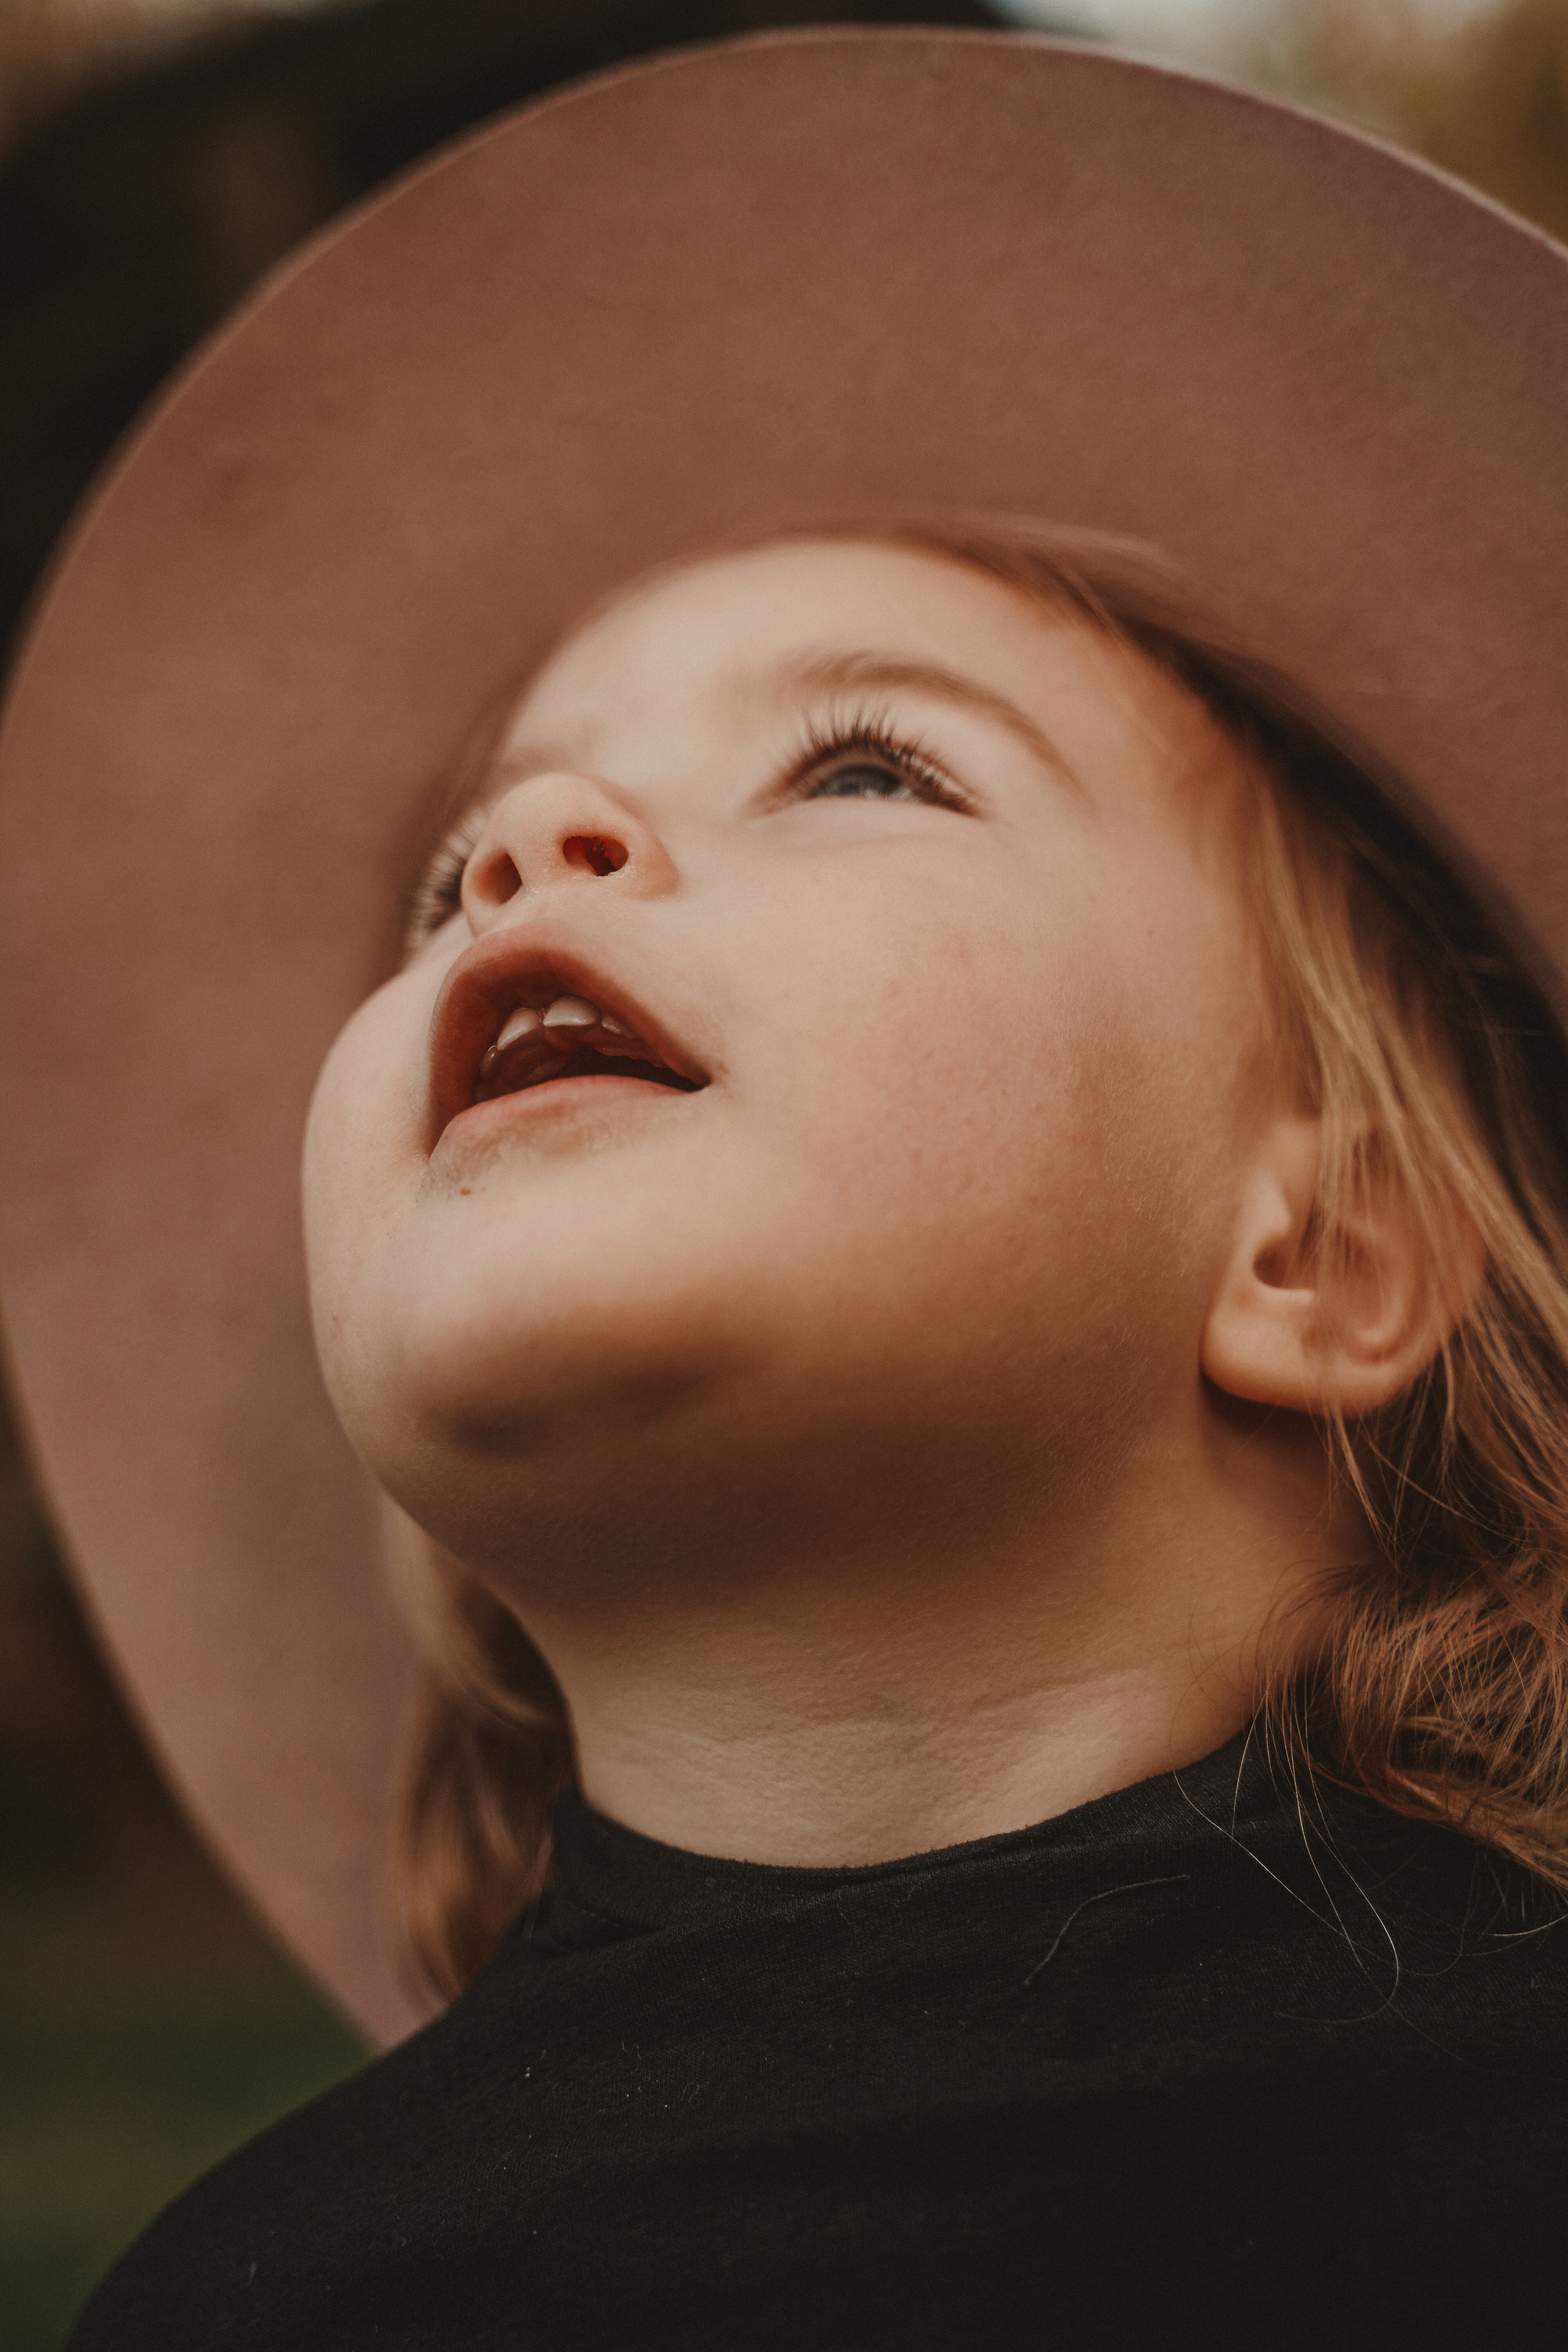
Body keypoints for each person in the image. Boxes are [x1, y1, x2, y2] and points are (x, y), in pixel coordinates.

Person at [0, 29, 1564, 2350]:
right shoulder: (265, 2301)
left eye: (860, 765)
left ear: (1320, 1246)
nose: (539, 850)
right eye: (456, 876)